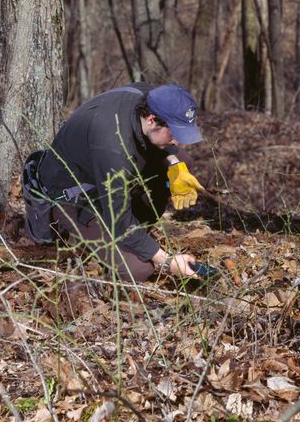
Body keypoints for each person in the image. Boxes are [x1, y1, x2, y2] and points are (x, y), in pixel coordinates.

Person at [22, 82, 206, 282]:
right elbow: (118, 219)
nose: (178, 141)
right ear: (152, 120)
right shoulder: (112, 149)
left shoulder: (150, 98)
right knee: (139, 269)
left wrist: (174, 163)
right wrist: (167, 260)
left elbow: (168, 148)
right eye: (174, 133)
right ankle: (75, 235)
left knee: (182, 160)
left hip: (102, 176)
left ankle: (135, 233)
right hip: (72, 195)